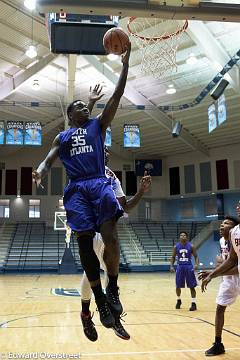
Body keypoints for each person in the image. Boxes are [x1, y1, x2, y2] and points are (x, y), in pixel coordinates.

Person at [32, 43, 131, 329]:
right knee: (85, 244)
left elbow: (117, 95)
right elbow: (48, 160)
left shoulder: (97, 126)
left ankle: (112, 288)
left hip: (99, 184)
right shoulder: (62, 137)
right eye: (77, 106)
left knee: (111, 238)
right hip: (76, 189)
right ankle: (98, 301)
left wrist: (124, 65)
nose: (83, 108)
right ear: (70, 115)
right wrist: (39, 171)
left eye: (84, 106)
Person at [80, 160, 151, 342]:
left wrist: (141, 192)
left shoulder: (112, 176)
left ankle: (113, 318)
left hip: (109, 230)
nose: (105, 152)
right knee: (90, 275)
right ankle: (86, 315)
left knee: (109, 276)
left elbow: (125, 206)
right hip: (89, 229)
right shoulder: (83, 168)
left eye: (106, 150)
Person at [199, 213, 240, 356]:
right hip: (229, 279)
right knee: (219, 308)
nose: (222, 225)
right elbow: (229, 263)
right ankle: (218, 344)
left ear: (235, 229)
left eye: (227, 223)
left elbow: (236, 267)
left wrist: (214, 273)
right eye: (222, 223)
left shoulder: (238, 237)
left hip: (236, 274)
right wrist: (212, 272)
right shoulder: (223, 242)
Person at [170, 231, 199, 311]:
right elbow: (173, 257)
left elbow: (196, 256)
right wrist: (171, 266)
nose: (183, 236)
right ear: (179, 237)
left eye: (184, 235)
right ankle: (178, 300)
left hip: (189, 266)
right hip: (180, 266)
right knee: (178, 285)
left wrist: (196, 264)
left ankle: (193, 303)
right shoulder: (176, 246)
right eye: (181, 235)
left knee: (192, 286)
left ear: (186, 237)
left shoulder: (191, 246)